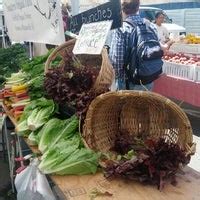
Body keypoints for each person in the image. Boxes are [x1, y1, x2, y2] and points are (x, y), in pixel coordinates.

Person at [109, 0, 162, 91]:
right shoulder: (151, 26)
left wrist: (119, 79)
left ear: (122, 9)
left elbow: (117, 60)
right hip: (149, 77)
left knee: (127, 105)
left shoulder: (121, 28)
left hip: (129, 82)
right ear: (138, 8)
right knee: (144, 104)